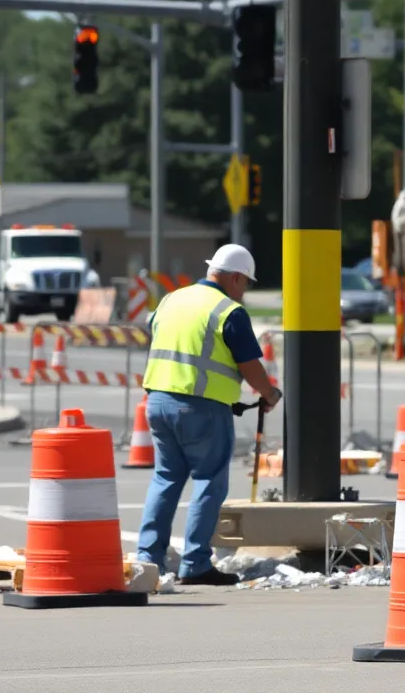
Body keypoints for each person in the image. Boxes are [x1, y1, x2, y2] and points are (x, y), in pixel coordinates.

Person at [137, 244, 282, 585]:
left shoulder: (171, 299)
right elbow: (249, 365)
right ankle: (195, 563)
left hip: (157, 401)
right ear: (234, 278)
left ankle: (148, 558)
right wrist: (269, 393)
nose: (244, 291)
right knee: (208, 480)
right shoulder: (228, 312)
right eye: (245, 283)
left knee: (166, 477)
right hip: (201, 407)